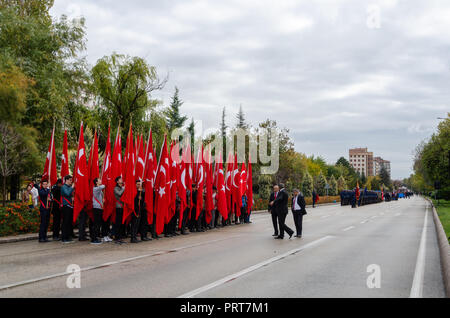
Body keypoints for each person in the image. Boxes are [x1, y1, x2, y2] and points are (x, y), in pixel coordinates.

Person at [61, 175, 75, 243]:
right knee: (65, 222)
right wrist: (72, 187)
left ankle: (68, 236)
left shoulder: (69, 187)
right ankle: (64, 238)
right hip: (65, 206)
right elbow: (67, 193)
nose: (71, 181)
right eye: (70, 180)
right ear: (66, 180)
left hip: (70, 206)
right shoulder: (63, 187)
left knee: (69, 222)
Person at [91, 178, 105, 245]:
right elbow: (103, 186)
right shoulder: (95, 188)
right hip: (96, 208)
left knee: (98, 224)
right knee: (96, 224)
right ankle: (94, 239)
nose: (101, 181)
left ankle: (96, 237)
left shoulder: (98, 188)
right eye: (99, 180)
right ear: (96, 182)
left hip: (99, 208)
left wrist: (102, 200)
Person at [113, 176, 125, 244]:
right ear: (117, 181)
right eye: (120, 179)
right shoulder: (116, 188)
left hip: (123, 207)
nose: (122, 180)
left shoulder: (121, 188)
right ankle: (117, 237)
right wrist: (124, 188)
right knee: (118, 223)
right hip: (118, 207)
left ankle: (120, 237)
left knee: (121, 223)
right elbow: (119, 194)